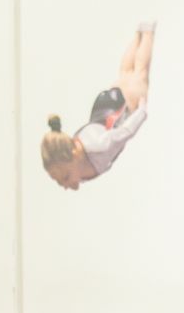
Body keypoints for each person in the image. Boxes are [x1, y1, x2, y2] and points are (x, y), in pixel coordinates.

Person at [40, 21, 156, 189]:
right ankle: (139, 30)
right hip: (103, 110)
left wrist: (141, 112)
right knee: (124, 72)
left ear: (75, 154)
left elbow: (125, 132)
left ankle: (147, 32)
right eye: (59, 182)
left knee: (140, 72)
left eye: (65, 178)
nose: (65, 185)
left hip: (120, 110)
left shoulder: (98, 147)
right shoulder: (74, 155)